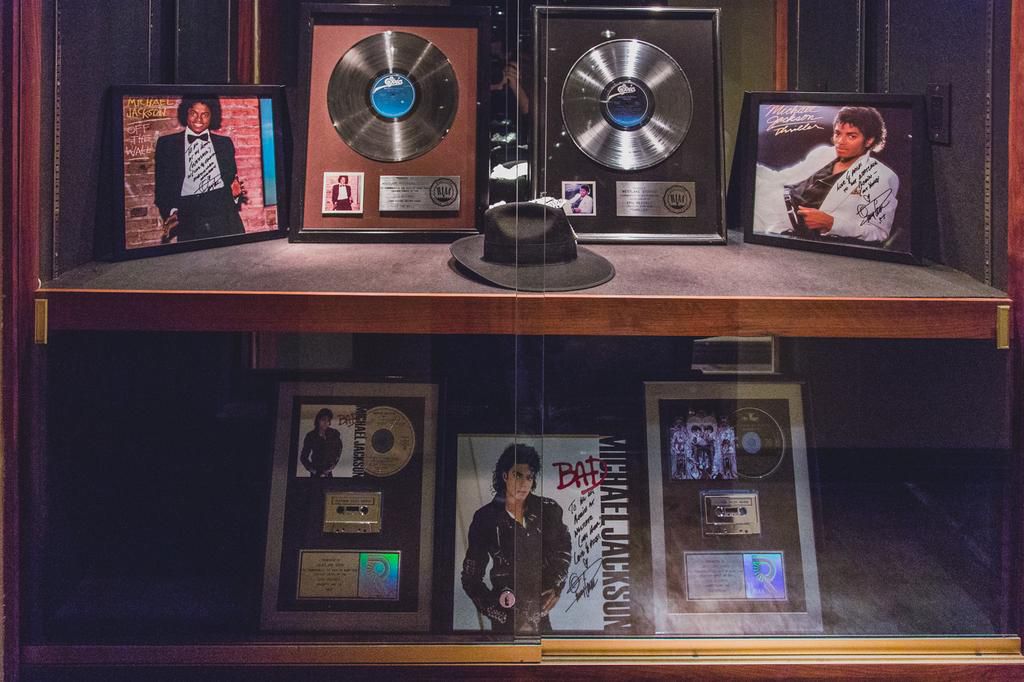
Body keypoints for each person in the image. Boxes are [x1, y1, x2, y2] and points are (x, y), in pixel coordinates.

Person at [461, 443, 571, 634]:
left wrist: (556, 586)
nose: (524, 483)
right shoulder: (485, 518)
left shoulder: (549, 510)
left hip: (539, 612)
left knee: (546, 659)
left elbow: (563, 551)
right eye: (517, 475)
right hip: (504, 612)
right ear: (505, 476)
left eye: (529, 477)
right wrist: (495, 610)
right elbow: (471, 578)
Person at [753, 106, 899, 244]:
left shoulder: (881, 175)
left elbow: (879, 232)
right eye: (838, 133)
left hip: (783, 223)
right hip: (771, 197)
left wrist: (832, 223)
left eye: (851, 136)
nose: (840, 142)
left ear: (869, 140)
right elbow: (782, 177)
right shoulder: (825, 152)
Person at [154, 96, 247, 243]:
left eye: (205, 114)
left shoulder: (225, 144)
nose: (199, 119)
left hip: (225, 218)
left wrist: (235, 195)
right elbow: (162, 188)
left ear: (212, 116)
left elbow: (232, 184)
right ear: (186, 113)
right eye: (194, 113)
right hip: (189, 220)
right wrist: (173, 212)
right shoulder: (167, 145)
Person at [298, 408, 343, 477]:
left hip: (328, 470)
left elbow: (338, 450)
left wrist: (332, 465)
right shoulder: (311, 436)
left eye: (328, 420)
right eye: (323, 420)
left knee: (329, 487)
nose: (326, 423)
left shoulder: (334, 434)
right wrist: (313, 470)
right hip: (315, 469)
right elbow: (303, 457)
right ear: (318, 420)